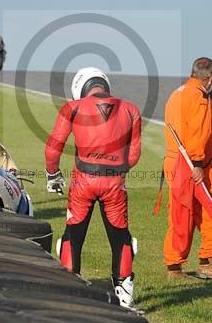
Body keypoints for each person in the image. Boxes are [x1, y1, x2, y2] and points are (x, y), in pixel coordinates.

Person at [45, 67, 142, 309]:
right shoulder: (131, 109)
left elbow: (53, 147)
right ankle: (124, 294)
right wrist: (116, 169)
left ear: (80, 88)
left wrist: (52, 174)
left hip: (82, 181)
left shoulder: (72, 108)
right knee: (120, 237)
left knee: (72, 236)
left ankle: (69, 290)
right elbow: (134, 153)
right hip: (114, 182)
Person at [163, 57, 212, 280]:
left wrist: (209, 104)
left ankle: (174, 267)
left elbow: (185, 123)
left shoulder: (179, 93)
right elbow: (197, 135)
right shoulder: (200, 98)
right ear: (210, 78)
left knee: (180, 215)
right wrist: (199, 165)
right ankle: (207, 262)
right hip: (195, 164)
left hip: (174, 161)